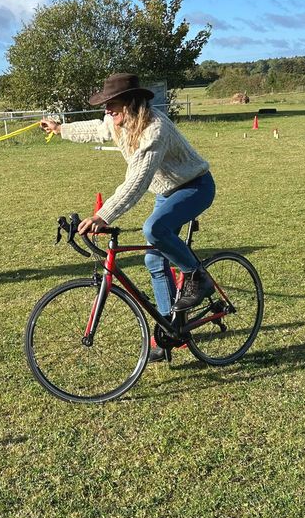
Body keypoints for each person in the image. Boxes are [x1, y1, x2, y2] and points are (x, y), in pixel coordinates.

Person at [40, 73, 215, 361]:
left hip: (195, 186)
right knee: (154, 260)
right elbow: (96, 129)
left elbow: (137, 181)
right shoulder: (118, 122)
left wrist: (103, 215)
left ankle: (198, 277)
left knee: (153, 229)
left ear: (131, 103)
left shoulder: (154, 129)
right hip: (166, 191)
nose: (107, 110)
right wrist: (60, 129)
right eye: (106, 104)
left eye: (112, 104)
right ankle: (170, 330)